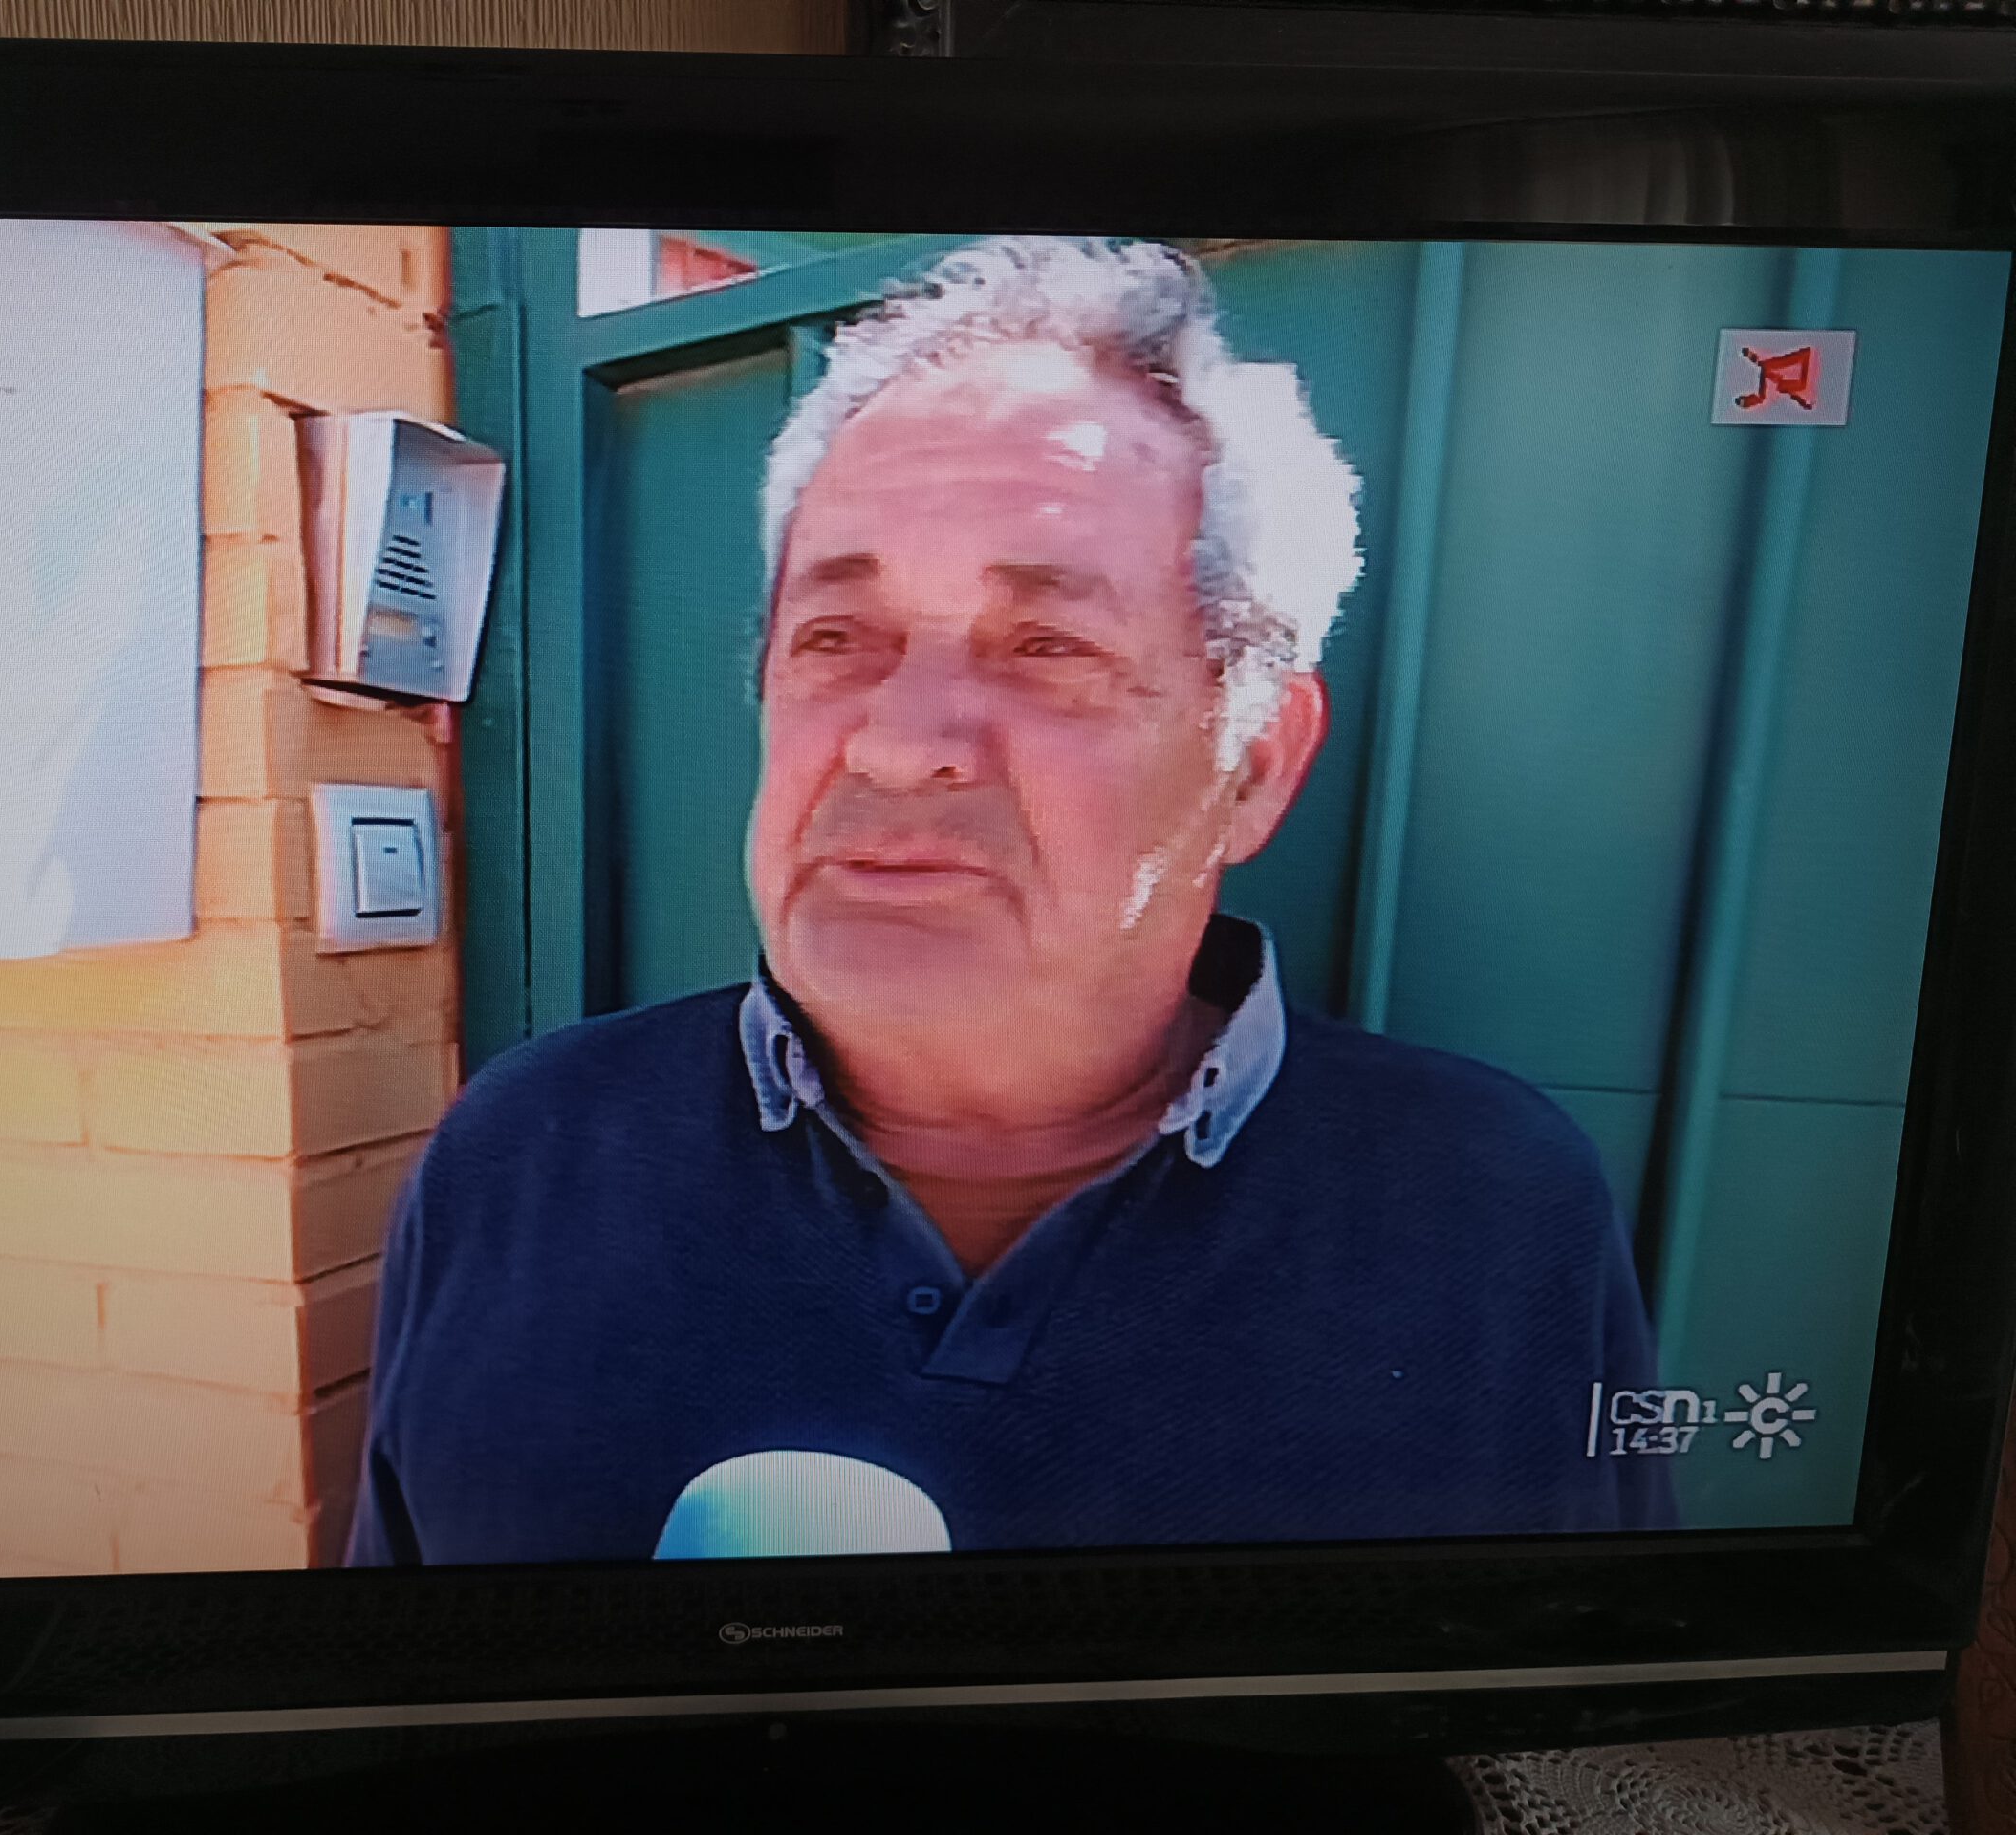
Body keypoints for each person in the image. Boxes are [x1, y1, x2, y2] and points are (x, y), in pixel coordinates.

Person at [346, 236, 1672, 1566]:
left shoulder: (1492, 1209)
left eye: (1047, 646)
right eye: (836, 638)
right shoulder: (520, 1151)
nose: (894, 744)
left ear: (1255, 765)